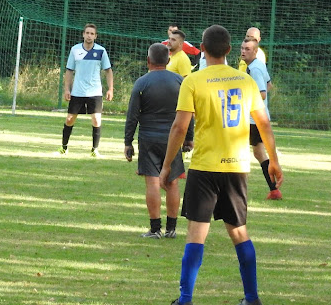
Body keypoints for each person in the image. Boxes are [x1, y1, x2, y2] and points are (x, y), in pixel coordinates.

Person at [162, 25, 283, 305]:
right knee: (239, 232)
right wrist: (273, 161)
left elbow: (180, 126)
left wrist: (168, 164)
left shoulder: (193, 80)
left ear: (202, 49)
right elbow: (263, 123)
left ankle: (185, 299)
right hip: (236, 167)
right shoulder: (245, 81)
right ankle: (252, 298)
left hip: (205, 167)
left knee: (196, 234)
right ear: (230, 51)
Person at [124, 43, 193, 239]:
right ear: (169, 61)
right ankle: (171, 229)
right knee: (172, 182)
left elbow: (132, 115)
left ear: (148, 61)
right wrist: (189, 138)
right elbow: (190, 113)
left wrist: (128, 142)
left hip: (148, 138)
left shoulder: (141, 83)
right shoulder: (180, 82)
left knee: (152, 183)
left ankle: (155, 229)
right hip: (173, 139)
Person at [59, 23, 114, 157]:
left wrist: (110, 89)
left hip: (94, 92)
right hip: (77, 91)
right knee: (70, 119)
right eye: (87, 33)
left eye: (92, 34)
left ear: (95, 36)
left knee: (96, 120)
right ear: (83, 34)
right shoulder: (75, 50)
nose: (89, 36)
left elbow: (108, 71)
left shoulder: (101, 51)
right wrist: (67, 89)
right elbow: (69, 71)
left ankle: (94, 150)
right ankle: (64, 148)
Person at [240, 37, 282, 200]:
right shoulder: (257, 65)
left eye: (248, 49)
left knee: (240, 152)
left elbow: (263, 92)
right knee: (258, 153)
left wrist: (243, 98)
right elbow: (269, 85)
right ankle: (274, 190)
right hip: (256, 117)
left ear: (256, 51)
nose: (244, 51)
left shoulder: (255, 69)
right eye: (242, 48)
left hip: (252, 119)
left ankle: (238, 189)